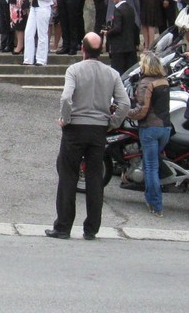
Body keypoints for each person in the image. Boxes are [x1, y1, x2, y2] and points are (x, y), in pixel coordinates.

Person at [46, 32, 129, 240]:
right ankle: (91, 228)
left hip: (76, 127)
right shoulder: (112, 73)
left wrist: (65, 119)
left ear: (83, 49)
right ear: (100, 51)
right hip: (98, 129)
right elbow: (125, 103)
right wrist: (112, 122)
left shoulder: (74, 70)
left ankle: (63, 226)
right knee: (94, 178)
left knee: (68, 176)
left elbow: (66, 98)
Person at [125, 53, 171, 217]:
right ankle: (150, 198)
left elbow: (141, 110)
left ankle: (155, 205)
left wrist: (125, 112)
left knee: (151, 167)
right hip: (165, 128)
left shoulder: (146, 83)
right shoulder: (163, 80)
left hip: (150, 128)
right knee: (151, 164)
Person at [22, 0, 54, 66]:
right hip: (34, 8)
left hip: (43, 8)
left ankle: (41, 59)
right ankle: (28, 59)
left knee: (42, 34)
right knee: (29, 32)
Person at [104, 0, 138, 75]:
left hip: (119, 48)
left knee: (118, 74)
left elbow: (117, 28)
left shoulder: (118, 10)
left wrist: (108, 32)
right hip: (130, 46)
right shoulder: (130, 8)